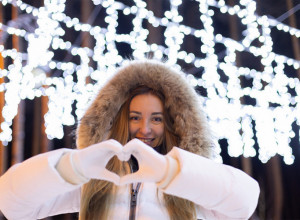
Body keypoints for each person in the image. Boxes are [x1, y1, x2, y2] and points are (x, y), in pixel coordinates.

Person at [0, 59, 260, 220]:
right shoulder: (96, 179)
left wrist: (171, 173)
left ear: (172, 124)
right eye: (135, 117)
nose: (145, 128)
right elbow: (12, 205)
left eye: (156, 119)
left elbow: (243, 203)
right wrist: (73, 167)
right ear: (119, 120)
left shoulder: (190, 183)